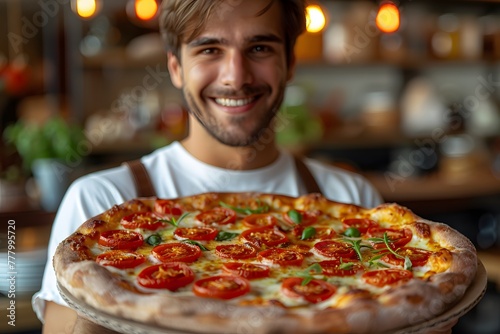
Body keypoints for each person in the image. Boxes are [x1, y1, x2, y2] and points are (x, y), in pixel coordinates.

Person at [33, 0, 383, 332]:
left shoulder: (351, 198)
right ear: (176, 67)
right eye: (209, 49)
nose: (236, 76)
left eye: (259, 48)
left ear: (290, 63)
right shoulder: (100, 200)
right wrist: (107, 289)